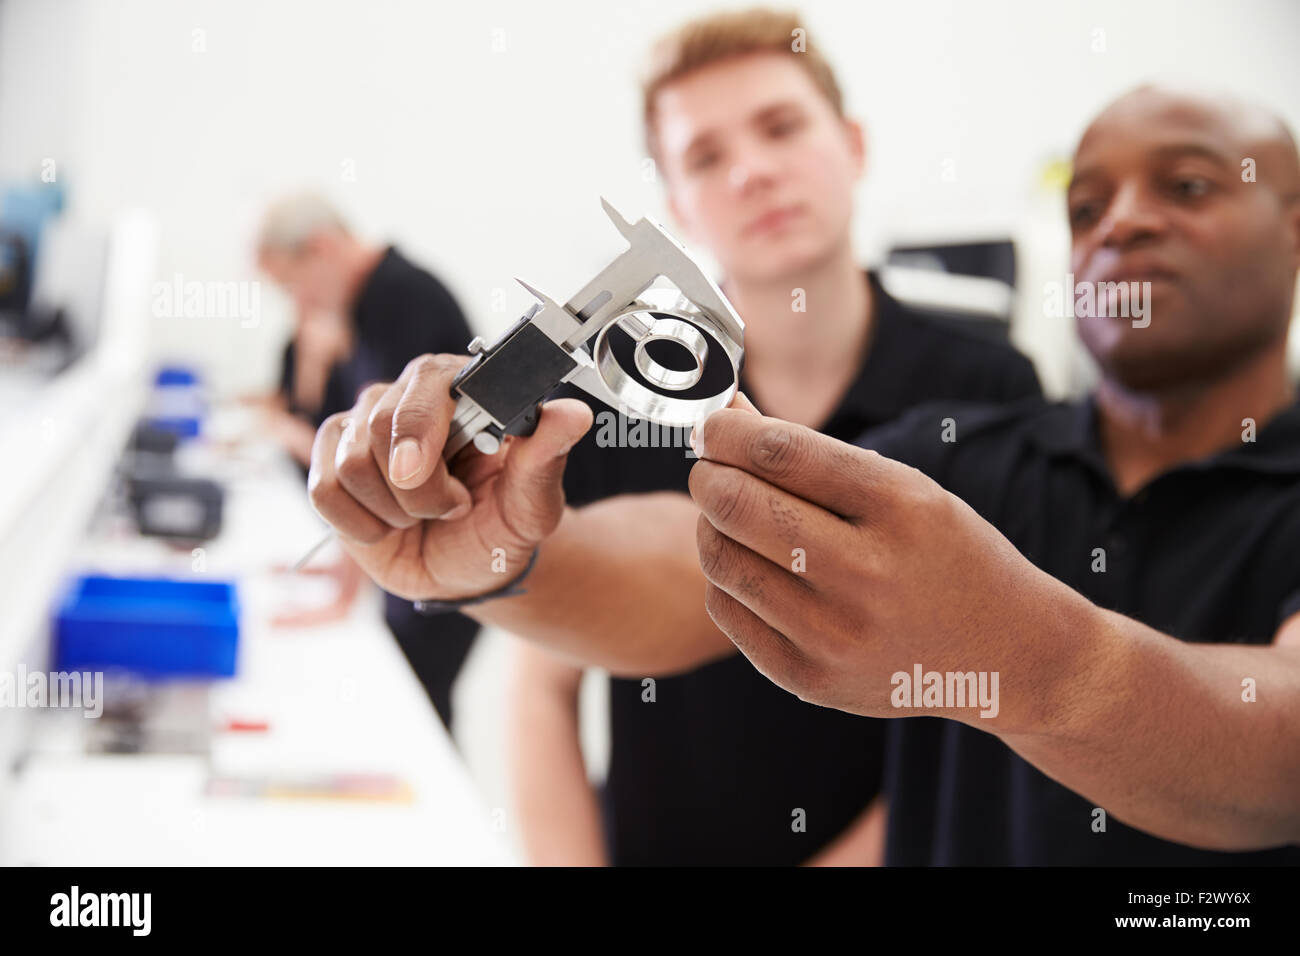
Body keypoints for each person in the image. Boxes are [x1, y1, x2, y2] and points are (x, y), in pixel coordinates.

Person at [304, 84, 1300, 864]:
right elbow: (686, 565)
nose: (1120, 223)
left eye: (1189, 185)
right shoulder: (967, 450)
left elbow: (1279, 747)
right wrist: (502, 558)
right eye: (1087, 205)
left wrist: (1014, 651)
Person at [510, 9, 1040, 866]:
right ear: (677, 203)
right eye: (707, 157)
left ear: (854, 144)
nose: (752, 171)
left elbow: (999, 700)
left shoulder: (987, 388)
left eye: (781, 127)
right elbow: (542, 682)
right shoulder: (617, 391)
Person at [255, 194, 481, 730]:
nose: (299, 307)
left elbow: (386, 466)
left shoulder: (397, 300)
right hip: (429, 535)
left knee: (421, 711)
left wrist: (341, 595)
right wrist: (340, 568)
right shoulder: (373, 301)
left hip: (451, 538)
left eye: (292, 286)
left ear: (322, 249)